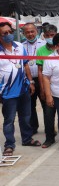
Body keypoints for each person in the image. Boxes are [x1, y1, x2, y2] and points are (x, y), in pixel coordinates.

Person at [0, 21, 40, 156]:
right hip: (7, 92)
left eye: (10, 32)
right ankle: (9, 144)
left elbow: (26, 65)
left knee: (26, 117)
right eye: (5, 33)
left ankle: (27, 139)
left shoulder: (19, 46)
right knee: (9, 120)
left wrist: (31, 81)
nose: (9, 35)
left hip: (23, 89)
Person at [21, 23, 46, 135]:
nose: (30, 34)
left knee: (46, 105)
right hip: (28, 80)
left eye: (32, 31)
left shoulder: (44, 44)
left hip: (42, 79)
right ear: (24, 33)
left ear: (36, 31)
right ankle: (33, 128)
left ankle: (49, 128)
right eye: (27, 32)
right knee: (30, 106)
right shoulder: (20, 46)